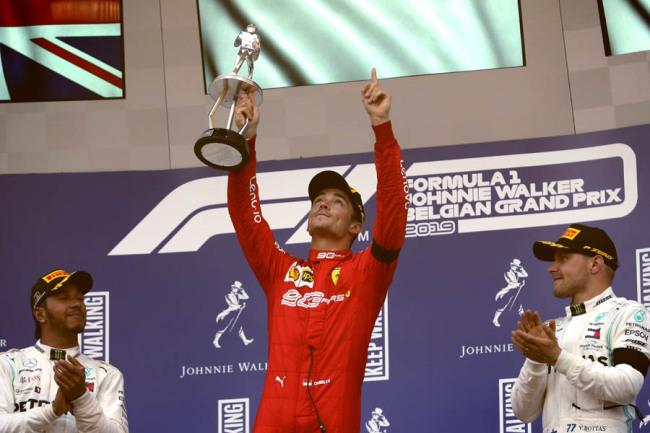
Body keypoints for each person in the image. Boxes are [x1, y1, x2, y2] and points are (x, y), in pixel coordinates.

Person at [227, 68, 409, 433]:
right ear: (308, 221)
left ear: (356, 226)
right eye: (318, 200)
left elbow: (393, 214)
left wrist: (382, 128)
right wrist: (248, 140)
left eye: (337, 201)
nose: (323, 204)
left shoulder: (366, 273)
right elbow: (247, 218)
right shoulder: (280, 270)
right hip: (272, 421)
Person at [511, 224, 650, 432]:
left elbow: (627, 386)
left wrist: (558, 357)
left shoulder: (628, 313)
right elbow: (524, 412)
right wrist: (536, 359)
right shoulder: (552, 329)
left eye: (563, 258)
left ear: (595, 264)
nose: (551, 267)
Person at [0, 269, 128, 432]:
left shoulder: (106, 374)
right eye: (64, 298)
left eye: (80, 298)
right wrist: (52, 411)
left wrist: (82, 397)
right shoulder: (7, 365)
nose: (77, 304)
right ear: (40, 314)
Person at [213, 280, 254, 348]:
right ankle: (215, 341)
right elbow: (233, 305)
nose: (235, 289)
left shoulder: (238, 295)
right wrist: (241, 306)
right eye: (234, 288)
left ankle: (245, 341)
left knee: (239, 326)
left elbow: (247, 297)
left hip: (235, 313)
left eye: (237, 288)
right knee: (223, 327)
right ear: (232, 287)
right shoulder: (228, 295)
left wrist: (242, 291)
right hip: (228, 312)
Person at [493, 258, 528, 327]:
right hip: (508, 291)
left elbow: (525, 275)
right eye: (513, 265)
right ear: (511, 265)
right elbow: (511, 283)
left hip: (515, 291)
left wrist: (521, 269)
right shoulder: (507, 273)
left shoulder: (517, 273)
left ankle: (525, 320)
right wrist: (519, 284)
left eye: (516, 266)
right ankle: (495, 319)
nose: (514, 267)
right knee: (503, 305)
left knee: (519, 306)